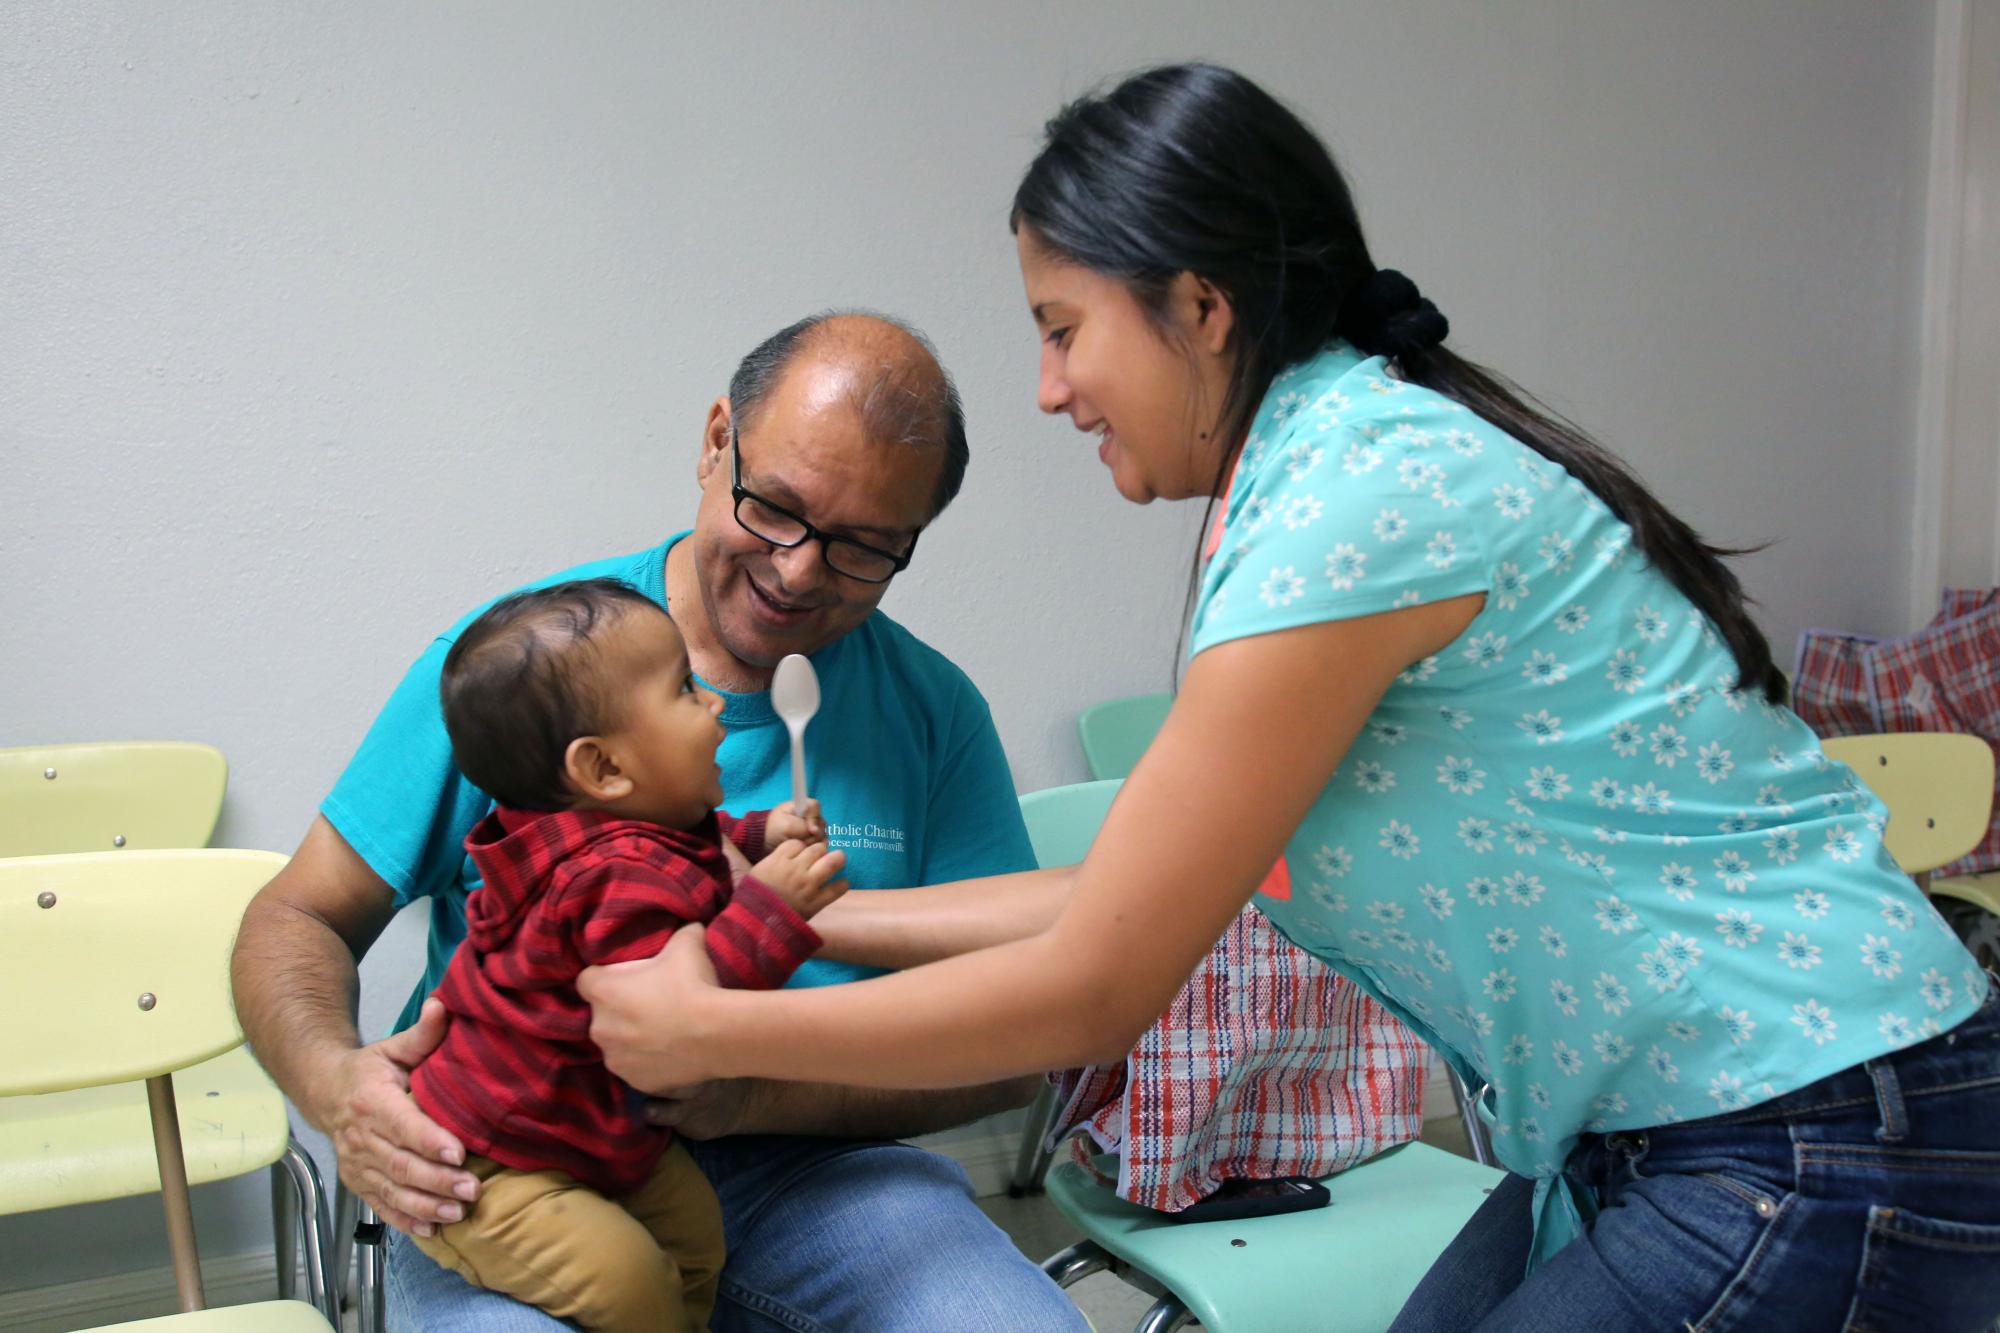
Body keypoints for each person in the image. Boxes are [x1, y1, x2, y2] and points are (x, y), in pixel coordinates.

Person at [578, 66, 2000, 1331]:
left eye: (1065, 328)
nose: (1049, 387)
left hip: (1805, 1127)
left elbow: (1097, 986)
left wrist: (717, 1030)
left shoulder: (1347, 500)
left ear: (1200, 307)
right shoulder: (1327, 464)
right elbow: (1146, 888)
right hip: (1698, 1128)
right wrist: (776, 911)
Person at [232, 311, 1093, 1333]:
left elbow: (1008, 1043)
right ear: (715, 438)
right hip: (518, 1164)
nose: (798, 572)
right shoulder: (521, 676)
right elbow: (296, 917)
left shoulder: (931, 711)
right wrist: (339, 1087)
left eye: (863, 546)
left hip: (812, 1173)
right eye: (776, 508)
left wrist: (763, 1098)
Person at [409, 579, 848, 1331]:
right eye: (684, 688)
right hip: (496, 1162)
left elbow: (697, 842)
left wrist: (759, 834)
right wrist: (773, 911)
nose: (714, 701)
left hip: (593, 1135)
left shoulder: (614, 825)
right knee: (632, 1282)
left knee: (697, 1240)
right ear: (604, 770)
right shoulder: (605, 880)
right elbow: (672, 1019)